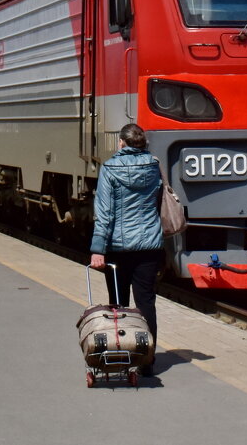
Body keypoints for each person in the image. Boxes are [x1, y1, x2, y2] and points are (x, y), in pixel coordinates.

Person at [88, 123, 164, 376]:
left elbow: (105, 213)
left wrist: (98, 249)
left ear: (121, 143)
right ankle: (147, 361)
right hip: (150, 245)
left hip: (118, 249)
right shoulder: (154, 166)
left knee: (118, 305)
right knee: (146, 304)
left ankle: (121, 354)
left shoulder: (109, 169)